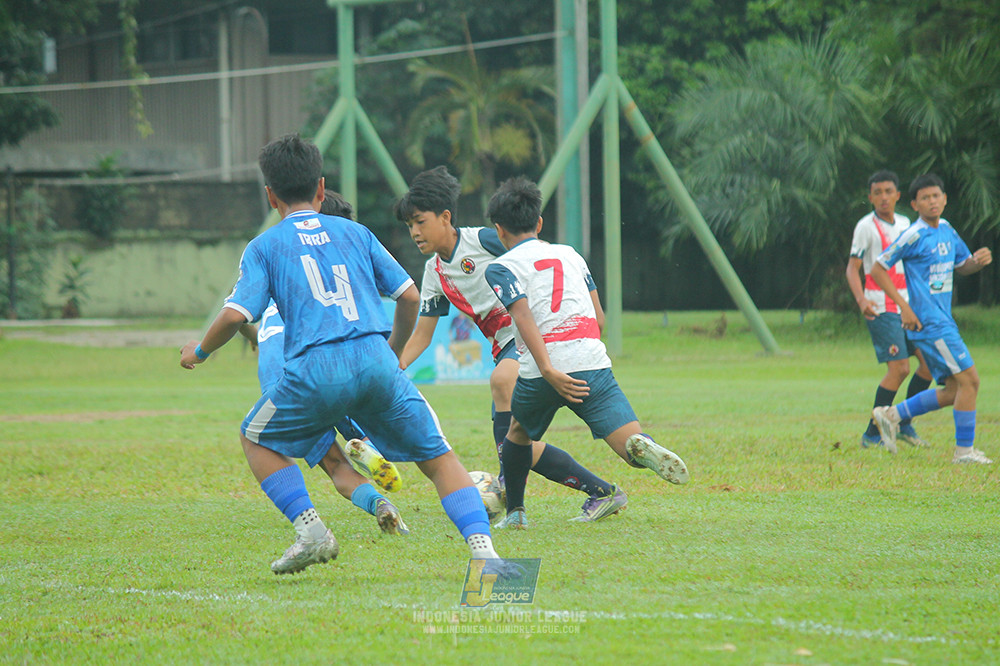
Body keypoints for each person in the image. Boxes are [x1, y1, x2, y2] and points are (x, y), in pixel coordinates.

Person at [180, 133, 504, 575]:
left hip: (315, 370)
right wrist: (391, 354)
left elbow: (236, 316)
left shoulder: (265, 246)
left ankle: (311, 531)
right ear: (320, 187)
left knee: (255, 437)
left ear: (270, 195)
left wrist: (198, 351)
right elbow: (409, 297)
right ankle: (486, 554)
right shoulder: (356, 232)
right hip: (374, 360)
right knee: (440, 459)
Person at [396, 166, 627, 524]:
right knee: (521, 448)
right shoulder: (434, 274)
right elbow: (423, 336)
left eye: (420, 222)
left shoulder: (484, 240)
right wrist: (394, 366)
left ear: (445, 218)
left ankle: (509, 493)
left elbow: (537, 255)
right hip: (505, 346)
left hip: (530, 337)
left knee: (502, 385)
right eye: (409, 225)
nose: (414, 232)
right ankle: (602, 492)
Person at [482, 176, 689, 529]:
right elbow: (599, 318)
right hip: (591, 361)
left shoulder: (502, 267)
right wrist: (583, 353)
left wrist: (548, 369)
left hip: (543, 372)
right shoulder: (570, 255)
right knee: (628, 444)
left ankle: (516, 514)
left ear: (499, 231)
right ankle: (644, 445)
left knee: (517, 434)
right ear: (540, 222)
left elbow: (522, 315)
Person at [236, 188, 409, 536]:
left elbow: (241, 319)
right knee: (360, 404)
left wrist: (253, 342)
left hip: (285, 382)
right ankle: (366, 443)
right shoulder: (335, 286)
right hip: (327, 368)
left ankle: (374, 504)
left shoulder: (279, 279)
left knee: (333, 465)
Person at [870, 173, 993, 464]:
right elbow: (877, 269)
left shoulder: (947, 230)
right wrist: (905, 308)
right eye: (924, 198)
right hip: (929, 323)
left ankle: (891, 415)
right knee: (970, 382)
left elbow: (962, 266)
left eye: (936, 196)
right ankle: (963, 453)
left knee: (954, 389)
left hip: (943, 320)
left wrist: (977, 261)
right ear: (914, 204)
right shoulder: (914, 234)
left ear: (945, 199)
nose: (931, 201)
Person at [846, 170, 933, 452]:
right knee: (899, 368)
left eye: (888, 192)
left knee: (928, 364)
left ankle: (904, 422)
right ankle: (872, 433)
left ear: (897, 195)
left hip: (907, 305)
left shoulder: (907, 224)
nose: (883, 197)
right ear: (870, 197)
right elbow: (853, 268)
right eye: (877, 192)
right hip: (881, 306)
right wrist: (862, 301)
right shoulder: (865, 227)